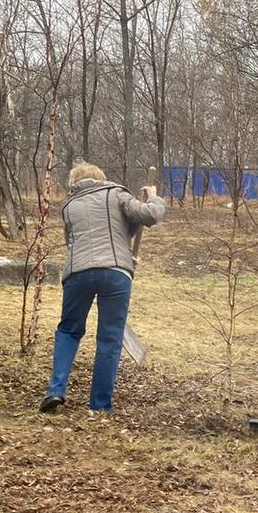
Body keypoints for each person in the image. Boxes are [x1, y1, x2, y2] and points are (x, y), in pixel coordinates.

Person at [39, 162, 165, 414]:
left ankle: (56, 390)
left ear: (75, 183)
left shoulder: (69, 207)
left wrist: (126, 252)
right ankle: (99, 406)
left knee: (68, 331)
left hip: (78, 274)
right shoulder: (116, 193)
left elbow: (75, 244)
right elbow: (150, 215)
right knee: (110, 339)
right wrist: (153, 196)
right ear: (101, 178)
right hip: (116, 274)